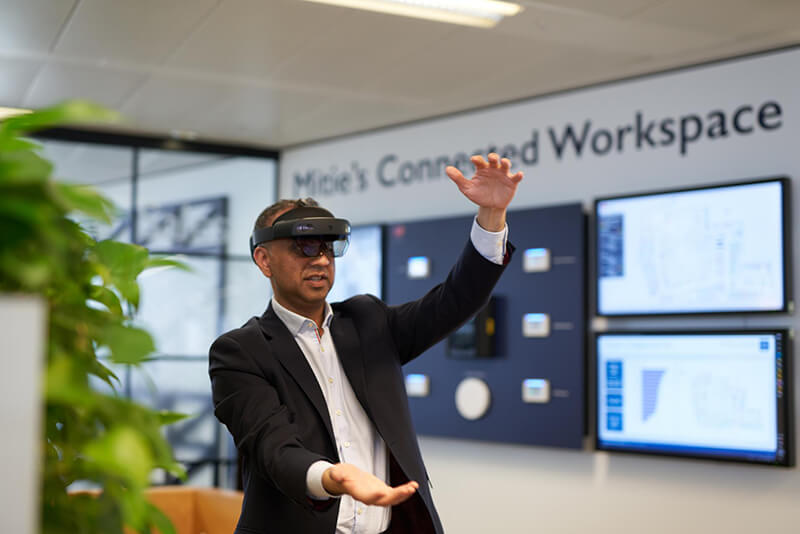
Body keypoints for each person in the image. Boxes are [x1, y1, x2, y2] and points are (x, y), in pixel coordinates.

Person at [209, 153, 523, 534]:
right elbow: (272, 447)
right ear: (264, 259)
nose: (321, 260)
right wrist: (331, 478)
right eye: (304, 247)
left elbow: (454, 300)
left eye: (328, 247)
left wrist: (491, 218)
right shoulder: (240, 351)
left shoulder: (368, 322)